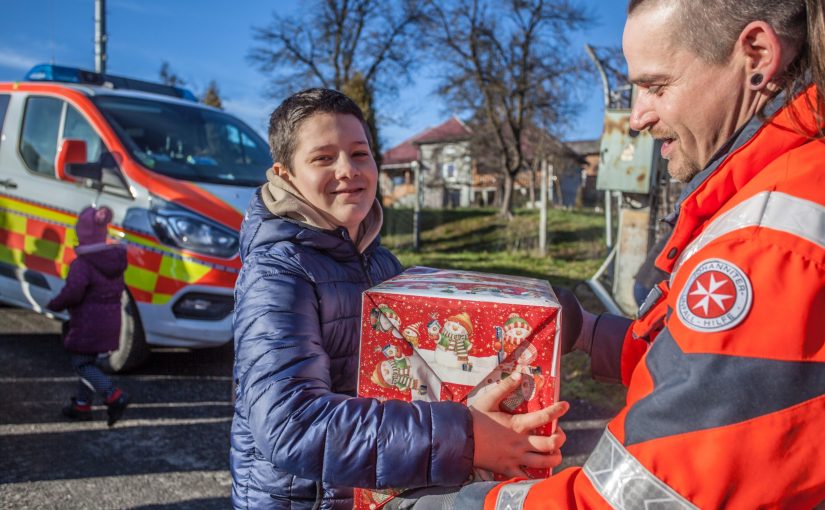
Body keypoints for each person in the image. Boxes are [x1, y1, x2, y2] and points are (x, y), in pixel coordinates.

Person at [390, 0, 825, 508]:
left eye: (657, 86)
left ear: (756, 55)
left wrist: (439, 503)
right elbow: (711, 374)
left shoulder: (764, 246)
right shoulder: (786, 190)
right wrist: (588, 333)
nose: (637, 116)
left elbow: (638, 495)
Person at [229, 88, 570, 510]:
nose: (347, 170)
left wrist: (492, 410)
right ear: (284, 174)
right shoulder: (277, 273)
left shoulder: (381, 264)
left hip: (375, 492)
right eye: (323, 158)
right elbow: (290, 424)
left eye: (359, 154)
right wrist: (468, 435)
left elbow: (420, 375)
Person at [47, 205, 131, 427]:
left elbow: (73, 293)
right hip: (110, 320)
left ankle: (113, 395)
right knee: (89, 361)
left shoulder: (83, 264)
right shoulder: (113, 261)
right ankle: (82, 404)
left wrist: (55, 304)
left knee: (81, 364)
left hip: (88, 322)